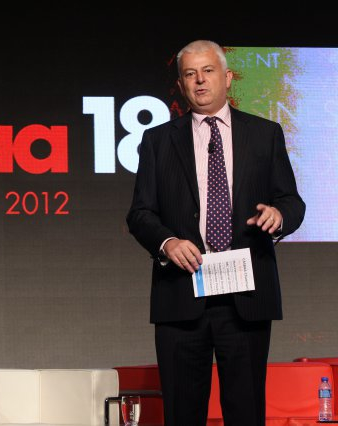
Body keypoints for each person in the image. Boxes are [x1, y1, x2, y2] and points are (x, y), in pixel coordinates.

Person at [126, 40, 305, 426]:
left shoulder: (265, 134)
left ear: (227, 77)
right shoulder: (158, 140)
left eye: (208, 71)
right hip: (181, 293)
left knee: (246, 412)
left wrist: (279, 215)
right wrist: (168, 242)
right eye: (190, 74)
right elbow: (140, 214)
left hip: (245, 295)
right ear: (181, 85)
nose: (200, 81)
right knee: (182, 413)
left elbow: (292, 201)